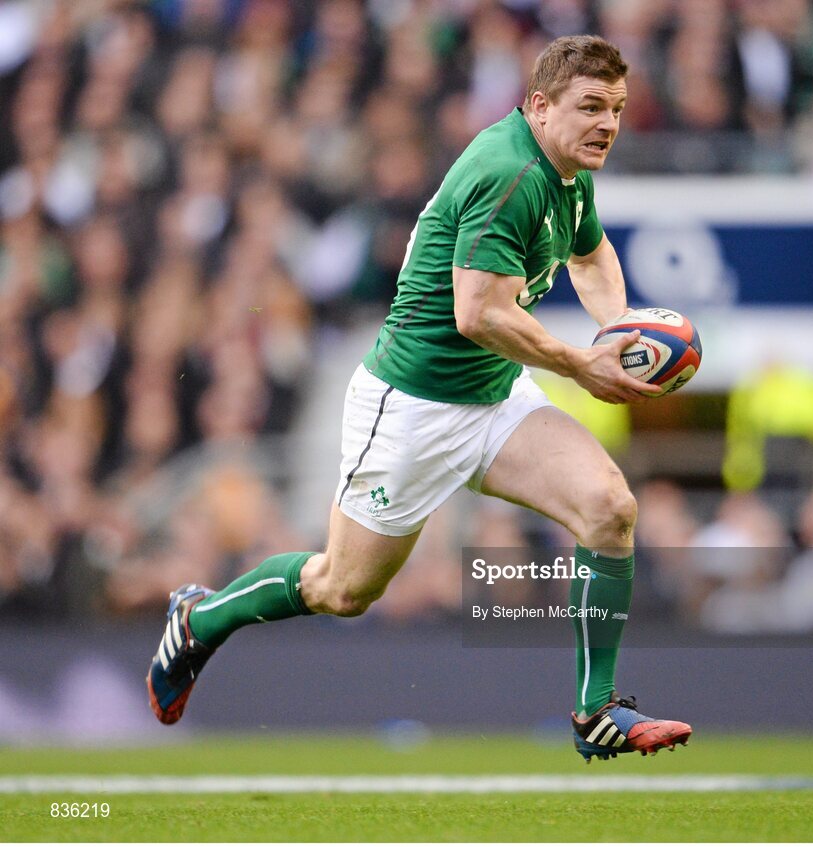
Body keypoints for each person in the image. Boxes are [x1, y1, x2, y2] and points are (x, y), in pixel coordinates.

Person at [146, 35, 692, 763]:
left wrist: (616, 329)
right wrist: (579, 366)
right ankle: (199, 618)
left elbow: (590, 253)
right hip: (411, 407)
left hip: (494, 396)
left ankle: (595, 711)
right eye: (591, 107)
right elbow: (479, 313)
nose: (607, 125)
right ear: (538, 105)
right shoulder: (512, 173)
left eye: (617, 110)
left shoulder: (568, 168)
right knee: (341, 588)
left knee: (609, 507)